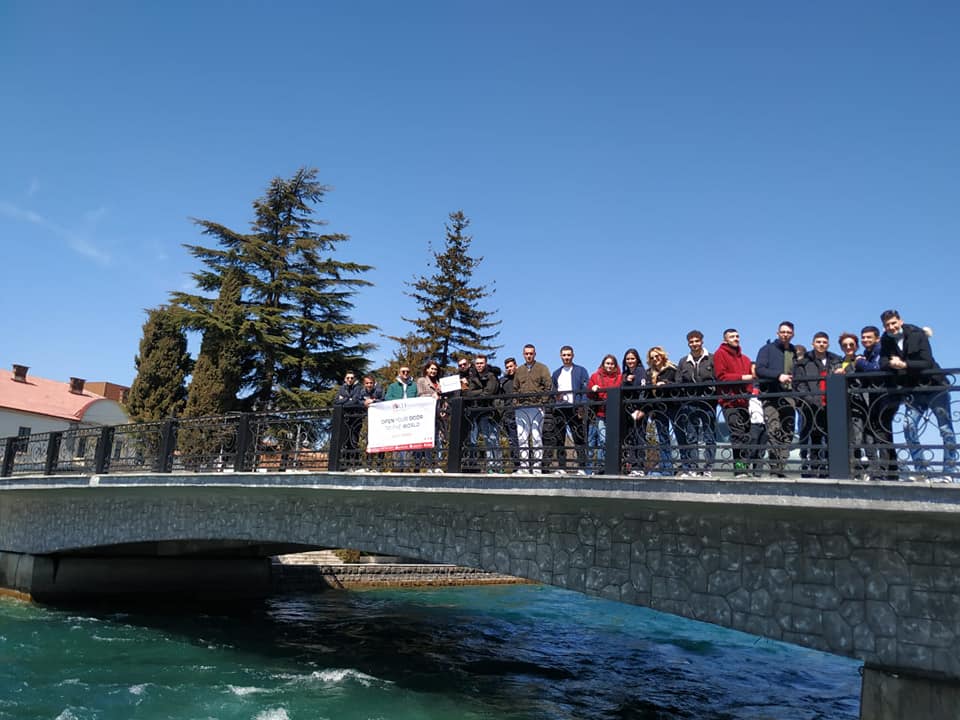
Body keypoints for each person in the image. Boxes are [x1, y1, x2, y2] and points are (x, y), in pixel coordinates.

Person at [879, 310, 957, 480]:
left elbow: (926, 361)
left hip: (936, 387)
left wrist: (904, 365)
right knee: (909, 426)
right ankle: (921, 470)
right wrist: (892, 364)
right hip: (914, 390)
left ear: (900, 321)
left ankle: (950, 472)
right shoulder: (885, 339)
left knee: (945, 429)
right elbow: (882, 362)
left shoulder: (917, 334)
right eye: (887, 325)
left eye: (893, 323)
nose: (891, 327)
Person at [793, 332, 841, 478]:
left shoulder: (835, 360)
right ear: (813, 343)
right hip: (811, 405)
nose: (821, 344)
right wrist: (811, 399)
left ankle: (830, 468)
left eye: (824, 342)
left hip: (831, 404)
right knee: (813, 437)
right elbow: (799, 384)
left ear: (828, 344)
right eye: (818, 342)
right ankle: (813, 468)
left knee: (832, 437)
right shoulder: (804, 362)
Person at [754, 322, 797, 477]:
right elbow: (759, 369)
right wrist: (778, 376)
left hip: (789, 396)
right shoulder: (767, 349)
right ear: (777, 333)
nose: (785, 334)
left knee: (788, 431)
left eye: (788, 332)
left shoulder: (794, 351)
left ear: (792, 334)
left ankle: (781, 468)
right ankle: (774, 468)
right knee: (774, 430)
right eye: (783, 332)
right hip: (771, 396)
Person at [854, 326, 897, 480]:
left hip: (886, 396)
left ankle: (885, 471)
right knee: (879, 431)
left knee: (882, 432)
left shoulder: (881, 350)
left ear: (877, 338)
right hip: (876, 397)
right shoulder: (868, 353)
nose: (865, 340)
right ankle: (889, 471)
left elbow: (876, 370)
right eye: (863, 337)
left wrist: (860, 363)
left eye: (869, 337)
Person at [675, 330, 716, 477]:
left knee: (709, 435)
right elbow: (678, 381)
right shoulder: (683, 361)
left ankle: (708, 467)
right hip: (690, 402)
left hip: (708, 401)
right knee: (691, 435)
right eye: (691, 342)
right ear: (688, 344)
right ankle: (693, 467)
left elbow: (717, 378)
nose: (694, 344)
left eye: (696, 341)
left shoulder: (711, 358)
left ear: (702, 341)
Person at [713, 329, 753, 477]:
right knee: (737, 435)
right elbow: (721, 376)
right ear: (725, 340)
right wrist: (742, 377)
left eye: (737, 336)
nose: (736, 338)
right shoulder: (720, 354)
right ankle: (740, 469)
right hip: (729, 401)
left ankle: (746, 468)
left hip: (744, 402)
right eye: (732, 336)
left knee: (746, 435)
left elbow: (751, 381)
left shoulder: (746, 359)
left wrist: (748, 392)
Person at [512, 344, 552, 474]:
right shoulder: (519, 370)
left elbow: (548, 385)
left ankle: (537, 466)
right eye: (526, 353)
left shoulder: (542, 368)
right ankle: (524, 466)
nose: (529, 356)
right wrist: (516, 402)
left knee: (536, 436)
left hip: (537, 407)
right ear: (523, 354)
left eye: (531, 353)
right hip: (522, 407)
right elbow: (515, 388)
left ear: (535, 354)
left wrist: (543, 401)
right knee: (522, 437)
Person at [550, 346, 590, 474]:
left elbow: (585, 390)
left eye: (568, 355)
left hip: (575, 408)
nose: (566, 357)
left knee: (578, 437)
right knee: (559, 438)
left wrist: (582, 406)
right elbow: (553, 390)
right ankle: (561, 467)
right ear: (560, 356)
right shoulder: (556, 373)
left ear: (573, 355)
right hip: (560, 408)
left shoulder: (581, 370)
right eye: (564, 355)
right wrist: (556, 397)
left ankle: (582, 467)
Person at [463, 354, 502, 473]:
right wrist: (480, 392)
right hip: (477, 412)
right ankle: (488, 465)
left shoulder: (491, 376)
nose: (479, 365)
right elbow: (468, 393)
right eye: (477, 363)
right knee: (481, 439)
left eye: (481, 363)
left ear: (485, 363)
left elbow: (489, 392)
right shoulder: (473, 376)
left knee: (492, 439)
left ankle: (497, 466)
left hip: (490, 411)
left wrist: (477, 393)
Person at [644, 346, 680, 476]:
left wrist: (666, 384)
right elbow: (648, 393)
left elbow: (679, 385)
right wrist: (650, 410)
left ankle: (687, 466)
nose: (655, 359)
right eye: (652, 357)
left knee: (680, 434)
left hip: (673, 406)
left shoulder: (672, 369)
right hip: (658, 408)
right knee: (663, 438)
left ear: (662, 356)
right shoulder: (649, 373)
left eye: (657, 356)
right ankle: (667, 468)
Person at [587, 354, 622, 473]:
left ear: (615, 365)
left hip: (615, 414)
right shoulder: (595, 376)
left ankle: (607, 466)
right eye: (607, 363)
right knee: (603, 439)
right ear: (603, 364)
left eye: (612, 364)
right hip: (600, 413)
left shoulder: (620, 377)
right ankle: (601, 465)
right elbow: (589, 394)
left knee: (612, 441)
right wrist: (593, 389)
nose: (609, 366)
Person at [384, 366, 418, 471]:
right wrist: (398, 403)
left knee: (408, 442)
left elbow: (418, 398)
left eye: (407, 371)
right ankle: (397, 467)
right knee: (397, 441)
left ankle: (407, 467)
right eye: (403, 371)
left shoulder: (414, 386)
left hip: (410, 418)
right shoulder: (393, 386)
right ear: (399, 373)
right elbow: (387, 397)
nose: (405, 373)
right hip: (397, 417)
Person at [416, 361, 446, 473]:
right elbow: (420, 395)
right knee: (428, 440)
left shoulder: (440, 382)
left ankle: (438, 465)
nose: (433, 371)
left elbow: (444, 398)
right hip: (427, 415)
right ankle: (429, 465)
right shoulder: (421, 381)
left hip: (439, 415)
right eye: (432, 369)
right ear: (427, 369)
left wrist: (444, 408)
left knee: (439, 440)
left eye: (435, 369)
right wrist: (431, 395)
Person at [621, 348, 647, 476]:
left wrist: (641, 409)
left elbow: (643, 391)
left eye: (632, 358)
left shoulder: (641, 372)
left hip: (639, 410)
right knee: (630, 439)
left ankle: (640, 466)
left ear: (637, 359)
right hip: (628, 411)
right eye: (628, 359)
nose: (630, 361)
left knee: (639, 437)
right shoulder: (625, 374)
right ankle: (632, 466)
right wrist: (626, 381)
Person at [498, 357, 521, 472]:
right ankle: (516, 466)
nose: (509, 369)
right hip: (508, 414)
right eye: (507, 367)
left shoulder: (521, 378)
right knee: (512, 441)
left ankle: (526, 465)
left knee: (523, 440)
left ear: (516, 366)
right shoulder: (503, 381)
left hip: (521, 412)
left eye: (511, 366)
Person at [333, 371, 365, 456]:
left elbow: (354, 401)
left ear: (354, 379)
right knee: (344, 440)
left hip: (355, 417)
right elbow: (336, 401)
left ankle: (354, 461)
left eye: (351, 378)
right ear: (345, 379)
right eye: (348, 378)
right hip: (344, 418)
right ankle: (345, 461)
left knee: (354, 440)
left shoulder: (358, 388)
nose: (350, 379)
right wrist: (348, 399)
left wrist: (343, 399)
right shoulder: (342, 388)